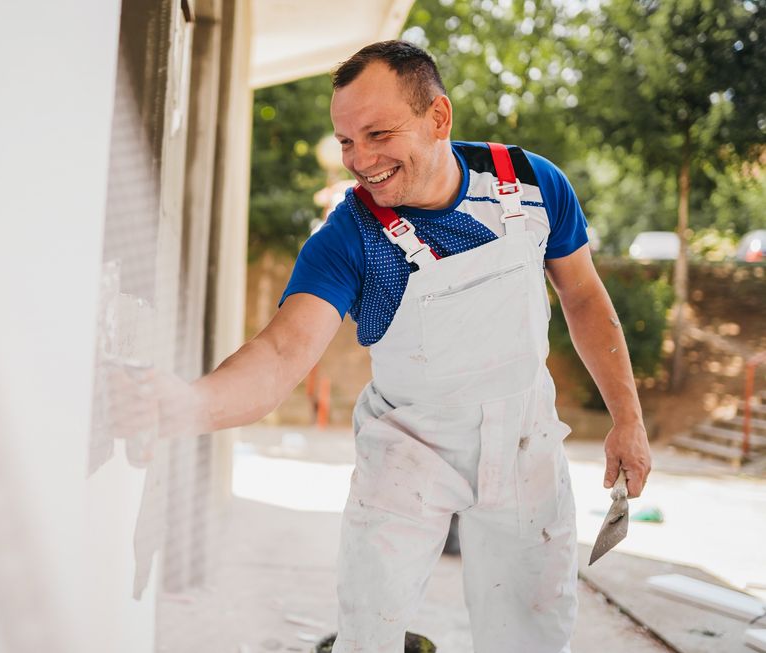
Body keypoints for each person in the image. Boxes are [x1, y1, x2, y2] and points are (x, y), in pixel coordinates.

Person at [118, 40, 652, 653]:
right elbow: (278, 356)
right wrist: (186, 405)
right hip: (409, 451)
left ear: (438, 117)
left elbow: (585, 299)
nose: (360, 160)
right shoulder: (349, 238)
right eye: (346, 141)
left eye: (378, 134)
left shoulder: (529, 186)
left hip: (526, 440)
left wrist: (628, 420)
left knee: (533, 632)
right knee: (369, 629)